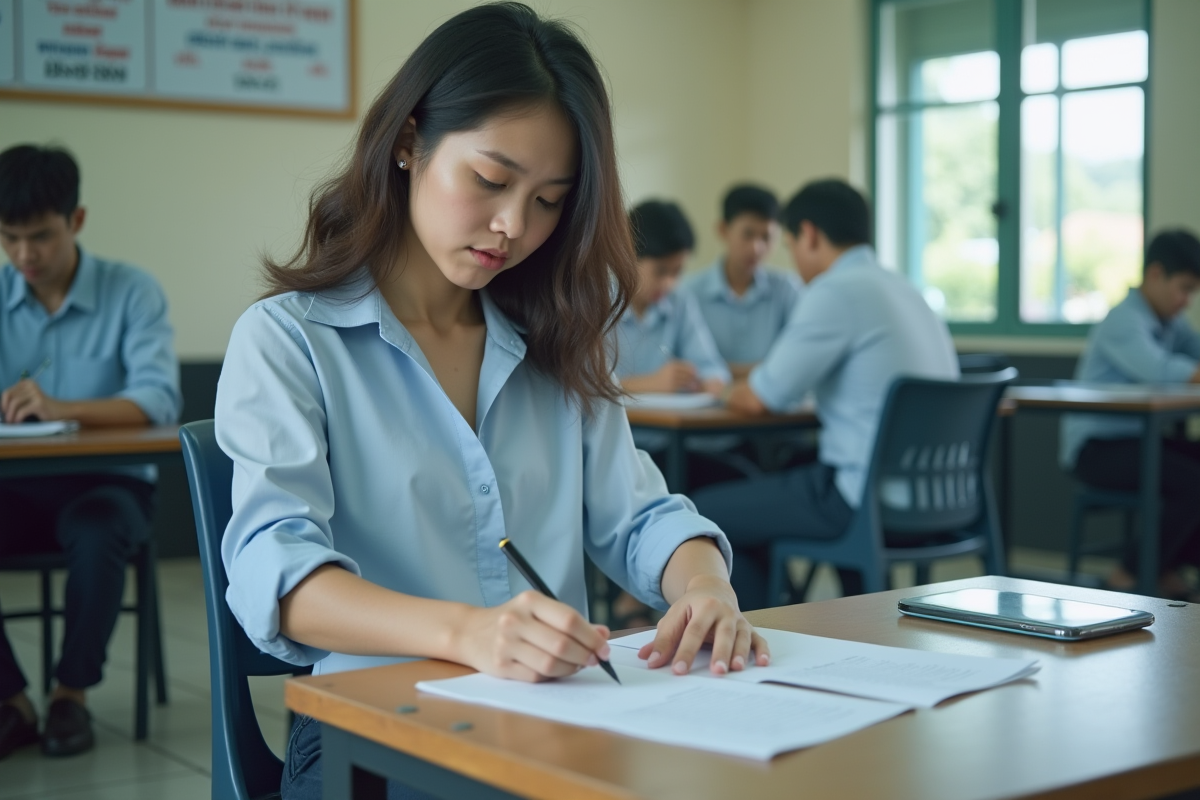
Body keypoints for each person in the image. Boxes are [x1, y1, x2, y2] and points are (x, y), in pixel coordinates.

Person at [213, 6, 768, 797]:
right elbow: (280, 572)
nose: (513, 225)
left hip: (555, 727)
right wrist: (468, 632)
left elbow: (640, 517)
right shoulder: (289, 340)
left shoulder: (556, 340)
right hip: (371, 734)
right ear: (409, 142)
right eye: (490, 179)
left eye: (549, 201)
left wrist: (705, 587)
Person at [690, 179, 958, 611]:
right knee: (773, 487)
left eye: (790, 242)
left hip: (860, 499)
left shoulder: (834, 291)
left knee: (706, 514)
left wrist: (720, 385)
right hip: (939, 499)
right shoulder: (908, 290)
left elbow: (759, 397)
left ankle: (759, 629)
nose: (793, 259)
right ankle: (860, 613)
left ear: (810, 234)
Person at [0, 145, 181, 759]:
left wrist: (60, 408)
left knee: (99, 530)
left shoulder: (132, 291)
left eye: (40, 236)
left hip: (108, 484)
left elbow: (157, 400)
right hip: (15, 487)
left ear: (76, 221)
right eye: (9, 238)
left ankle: (69, 696)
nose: (25, 255)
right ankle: (11, 700)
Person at [1061, 229, 1200, 601]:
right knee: (1191, 483)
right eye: (1183, 288)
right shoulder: (1123, 321)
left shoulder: (1171, 323)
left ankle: (1163, 564)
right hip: (1097, 450)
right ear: (1156, 274)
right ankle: (1127, 574)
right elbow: (1163, 370)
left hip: (1139, 439)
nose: (1186, 301)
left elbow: (1195, 349)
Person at [680, 184, 801, 378]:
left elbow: (798, 361)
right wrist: (768, 370)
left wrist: (718, 371)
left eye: (766, 237)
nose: (756, 248)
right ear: (723, 230)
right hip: (706, 405)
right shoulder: (688, 292)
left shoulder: (788, 290)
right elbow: (684, 367)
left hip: (770, 405)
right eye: (748, 234)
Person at [613, 200, 730, 395]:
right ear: (627, 255)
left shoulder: (679, 301)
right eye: (660, 271)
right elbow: (581, 386)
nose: (669, 283)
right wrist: (650, 383)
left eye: (677, 272)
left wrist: (705, 381)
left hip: (668, 422)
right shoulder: (594, 303)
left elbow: (714, 369)